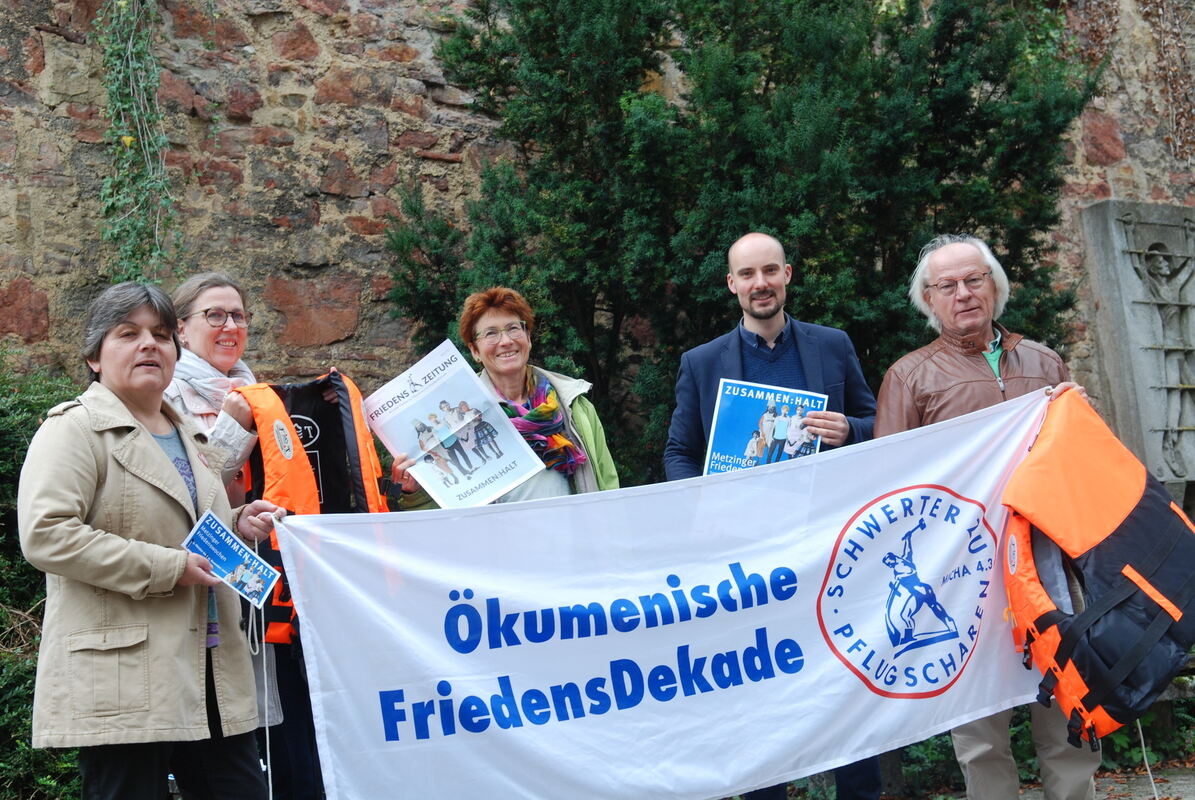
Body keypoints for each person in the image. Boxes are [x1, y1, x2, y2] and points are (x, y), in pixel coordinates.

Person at [17, 282, 284, 800]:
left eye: (161, 335)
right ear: (95, 357)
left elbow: (192, 528)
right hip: (127, 678)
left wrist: (239, 522)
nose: (149, 345)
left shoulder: (192, 436)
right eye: (128, 333)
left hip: (213, 671)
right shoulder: (73, 430)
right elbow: (47, 535)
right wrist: (169, 568)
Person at [874, 233, 1099, 800]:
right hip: (963, 577)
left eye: (974, 280)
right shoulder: (909, 377)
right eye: (947, 285)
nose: (964, 293)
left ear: (994, 286)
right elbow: (890, 488)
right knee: (980, 736)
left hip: (1048, 566)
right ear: (929, 300)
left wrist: (1082, 417)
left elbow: (1080, 460)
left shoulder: (1043, 361)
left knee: (1067, 715)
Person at [663, 232, 881, 800]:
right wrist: (703, 505)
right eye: (747, 274)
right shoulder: (701, 363)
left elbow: (877, 422)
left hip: (830, 548)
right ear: (731, 284)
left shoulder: (832, 345)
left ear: (787, 275)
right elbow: (679, 452)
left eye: (769, 271)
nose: (760, 283)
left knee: (847, 679)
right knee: (759, 691)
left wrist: (850, 429)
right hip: (748, 557)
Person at [166, 272, 316, 800]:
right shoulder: (166, 397)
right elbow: (185, 490)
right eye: (214, 315)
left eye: (239, 316)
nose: (230, 325)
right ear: (181, 329)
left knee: (274, 742)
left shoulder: (261, 394)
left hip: (263, 590)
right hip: (202, 591)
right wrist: (232, 427)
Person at [393, 286, 618, 504]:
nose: (506, 341)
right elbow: (449, 510)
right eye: (491, 333)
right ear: (474, 350)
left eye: (513, 328)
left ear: (528, 337)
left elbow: (609, 486)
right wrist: (414, 493)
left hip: (573, 530)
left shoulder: (574, 406)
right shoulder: (466, 415)